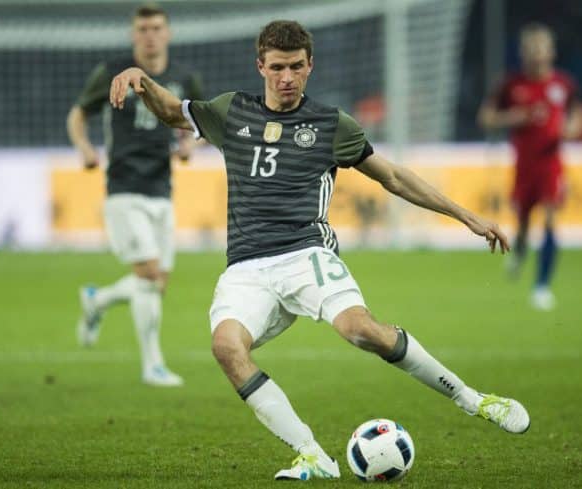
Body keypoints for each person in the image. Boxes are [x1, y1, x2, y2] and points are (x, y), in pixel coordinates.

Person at [109, 20, 530, 480]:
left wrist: (467, 216)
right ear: (260, 67)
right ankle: (311, 453)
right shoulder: (232, 111)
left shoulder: (331, 125)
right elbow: (173, 113)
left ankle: (474, 400)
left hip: (306, 255)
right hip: (246, 267)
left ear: (310, 66)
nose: (285, 78)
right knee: (226, 348)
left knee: (360, 330)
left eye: (294, 67)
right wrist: (142, 80)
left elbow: (393, 176)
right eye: (276, 68)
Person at [66, 3, 203, 386]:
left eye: (157, 28)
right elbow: (78, 114)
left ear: (168, 33)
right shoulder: (112, 71)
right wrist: (85, 148)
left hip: (162, 189)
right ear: (133, 34)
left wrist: (193, 144)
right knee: (147, 275)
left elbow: (200, 124)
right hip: (124, 188)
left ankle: (98, 300)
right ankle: (153, 365)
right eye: (143, 29)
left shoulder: (183, 78)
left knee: (157, 282)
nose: (150, 35)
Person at [478, 23, 582, 311]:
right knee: (523, 227)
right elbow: (486, 117)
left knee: (550, 219)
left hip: (551, 165)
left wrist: (571, 129)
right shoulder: (512, 85)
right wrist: (512, 117)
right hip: (524, 167)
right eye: (531, 48)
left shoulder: (563, 84)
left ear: (551, 51)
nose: (537, 53)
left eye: (542, 47)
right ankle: (520, 253)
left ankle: (542, 287)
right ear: (523, 52)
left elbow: (577, 116)